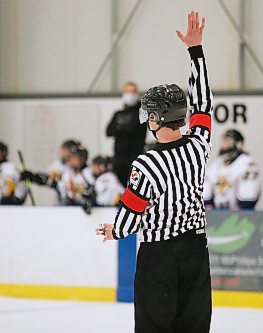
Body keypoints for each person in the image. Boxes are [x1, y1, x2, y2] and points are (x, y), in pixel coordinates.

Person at [97, 11, 212, 332]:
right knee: (193, 326)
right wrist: (196, 52)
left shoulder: (146, 163)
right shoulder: (199, 145)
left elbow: (132, 214)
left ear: (158, 119)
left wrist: (114, 231)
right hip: (196, 252)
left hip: (159, 256)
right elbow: (203, 105)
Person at [204, 129, 260, 210]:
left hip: (239, 212)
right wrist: (207, 203)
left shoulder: (247, 163)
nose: (223, 145)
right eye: (223, 141)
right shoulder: (217, 163)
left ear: (238, 144)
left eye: (227, 141)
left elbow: (249, 193)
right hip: (216, 211)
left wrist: (242, 206)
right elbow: (206, 184)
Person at [106, 81, 147, 186]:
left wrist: (120, 127)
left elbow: (135, 129)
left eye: (132, 92)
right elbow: (109, 131)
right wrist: (124, 127)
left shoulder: (142, 113)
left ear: (137, 94)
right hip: (119, 158)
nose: (129, 95)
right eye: (127, 91)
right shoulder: (118, 113)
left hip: (135, 156)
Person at [21, 139, 80, 204]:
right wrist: (31, 176)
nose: (62, 153)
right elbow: (43, 175)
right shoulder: (58, 165)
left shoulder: (77, 168)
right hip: (61, 203)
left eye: (64, 150)